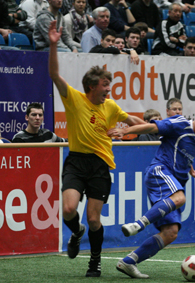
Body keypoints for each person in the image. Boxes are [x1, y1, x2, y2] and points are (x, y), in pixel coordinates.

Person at [48, 20, 145, 277]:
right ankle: (76, 232)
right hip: (77, 161)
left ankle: (95, 260)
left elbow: (132, 121)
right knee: (69, 210)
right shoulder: (74, 99)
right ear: (92, 87)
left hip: (100, 165)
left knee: (93, 219)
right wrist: (54, 45)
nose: (109, 90)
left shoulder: (110, 106)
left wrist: (153, 126)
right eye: (105, 85)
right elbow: (55, 76)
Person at [107, 104, 195, 279]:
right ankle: (139, 224)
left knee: (170, 233)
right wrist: (126, 131)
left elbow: (183, 154)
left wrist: (192, 171)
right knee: (180, 198)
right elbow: (152, 127)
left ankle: (129, 262)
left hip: (173, 180)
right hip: (159, 171)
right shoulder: (179, 123)